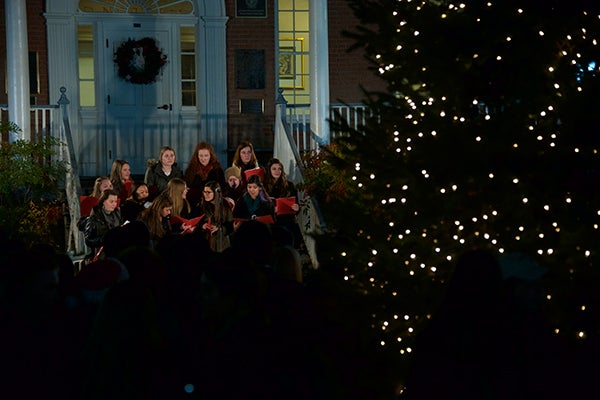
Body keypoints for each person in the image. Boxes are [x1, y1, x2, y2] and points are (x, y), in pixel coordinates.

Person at [264, 158, 303, 248]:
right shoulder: (264, 186)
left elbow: (296, 205)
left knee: (293, 232)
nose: (277, 171)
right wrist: (272, 209)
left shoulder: (289, 185)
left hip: (287, 219)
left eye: (279, 169)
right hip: (271, 221)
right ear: (269, 170)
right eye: (274, 169)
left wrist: (297, 208)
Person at [83, 189, 123, 262]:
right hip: (102, 254)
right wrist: (104, 238)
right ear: (103, 201)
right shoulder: (94, 218)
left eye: (115, 201)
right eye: (111, 201)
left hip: (118, 251)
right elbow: (88, 240)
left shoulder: (117, 214)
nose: (114, 204)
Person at [184, 141, 226, 206]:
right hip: (194, 205)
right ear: (197, 156)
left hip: (213, 204)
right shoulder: (190, 170)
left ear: (211, 156)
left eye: (206, 155)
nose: (203, 159)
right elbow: (187, 188)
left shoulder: (217, 170)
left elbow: (222, 188)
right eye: (201, 155)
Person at [197, 181, 234, 252]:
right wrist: (202, 225)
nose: (205, 195)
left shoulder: (225, 206)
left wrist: (219, 228)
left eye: (208, 192)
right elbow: (196, 222)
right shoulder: (201, 206)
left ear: (216, 193)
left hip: (222, 243)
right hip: (206, 242)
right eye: (204, 192)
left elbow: (230, 226)